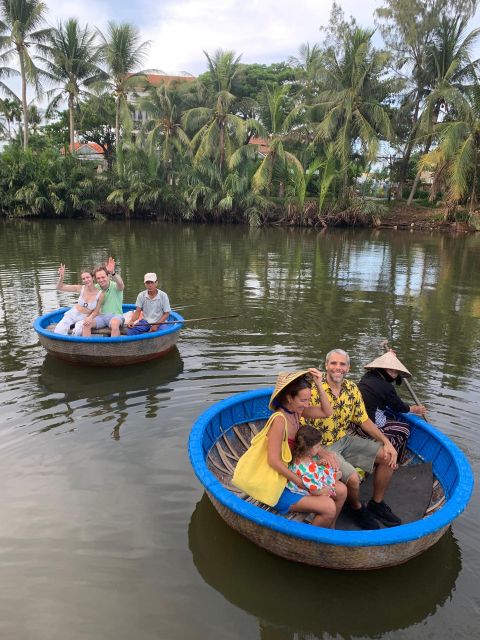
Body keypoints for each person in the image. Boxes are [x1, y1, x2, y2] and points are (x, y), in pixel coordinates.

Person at [301, 349, 402, 530]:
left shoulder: (352, 389)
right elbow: (300, 427)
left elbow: (363, 419)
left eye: (342, 364)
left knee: (388, 456)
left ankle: (376, 504)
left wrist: (387, 442)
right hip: (320, 446)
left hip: (344, 440)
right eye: (333, 363)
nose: (337, 368)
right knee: (354, 479)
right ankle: (356, 507)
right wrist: (321, 451)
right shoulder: (312, 388)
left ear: (348, 368)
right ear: (326, 366)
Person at [243, 369, 347, 528]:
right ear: (289, 397)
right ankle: (310, 542)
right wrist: (305, 485)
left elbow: (327, 411)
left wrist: (319, 383)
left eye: (308, 400)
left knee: (341, 491)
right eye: (303, 400)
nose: (307, 405)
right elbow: (274, 461)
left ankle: (329, 532)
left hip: (296, 472)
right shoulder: (279, 420)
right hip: (280, 484)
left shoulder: (297, 411)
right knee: (328, 507)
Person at [357, 351, 427, 463]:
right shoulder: (386, 386)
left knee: (391, 418)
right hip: (367, 426)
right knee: (405, 429)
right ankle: (395, 459)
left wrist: (389, 357)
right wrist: (413, 409)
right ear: (382, 369)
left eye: (395, 371)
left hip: (355, 421)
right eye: (391, 371)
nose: (394, 375)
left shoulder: (367, 376)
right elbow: (397, 406)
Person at [287, 425, 339, 498]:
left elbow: (307, 467)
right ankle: (332, 477)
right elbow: (314, 490)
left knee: (323, 469)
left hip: (308, 480)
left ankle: (333, 475)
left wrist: (317, 463)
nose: (319, 449)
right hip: (308, 489)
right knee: (327, 483)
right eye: (317, 447)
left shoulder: (299, 456)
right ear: (307, 448)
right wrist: (325, 490)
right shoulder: (308, 471)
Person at [54, 264, 104, 336]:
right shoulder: (80, 288)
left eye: (88, 277)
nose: (86, 280)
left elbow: (96, 311)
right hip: (73, 314)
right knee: (58, 330)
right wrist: (61, 277)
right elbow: (60, 287)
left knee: (77, 332)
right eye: (84, 279)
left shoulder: (100, 294)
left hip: (84, 317)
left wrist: (90, 318)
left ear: (93, 278)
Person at [86, 257, 125, 337]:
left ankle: (113, 348)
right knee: (86, 324)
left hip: (116, 316)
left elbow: (121, 284)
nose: (101, 280)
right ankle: (87, 348)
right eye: (98, 278)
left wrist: (113, 272)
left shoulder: (116, 286)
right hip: (101, 317)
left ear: (108, 276)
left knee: (114, 324)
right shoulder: (95, 288)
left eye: (103, 277)